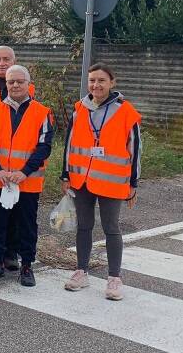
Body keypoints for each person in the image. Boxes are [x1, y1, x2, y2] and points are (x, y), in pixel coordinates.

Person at [62, 63, 142, 301]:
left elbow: (135, 149)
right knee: (84, 226)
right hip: (82, 179)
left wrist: (133, 183)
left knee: (111, 228)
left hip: (112, 181)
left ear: (112, 83)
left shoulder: (126, 111)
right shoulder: (79, 109)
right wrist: (65, 174)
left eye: (101, 81)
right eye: (92, 81)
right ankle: (81, 271)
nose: (96, 85)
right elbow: (69, 144)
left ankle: (114, 278)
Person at [0, 65, 54, 288]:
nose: (15, 85)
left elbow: (44, 147)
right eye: (11, 82)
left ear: (28, 83)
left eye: (20, 81)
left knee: (26, 225)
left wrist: (24, 172)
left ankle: (27, 265)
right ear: (6, 84)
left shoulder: (42, 112)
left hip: (26, 182)